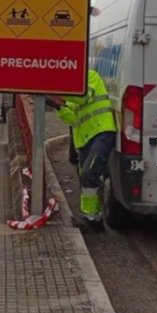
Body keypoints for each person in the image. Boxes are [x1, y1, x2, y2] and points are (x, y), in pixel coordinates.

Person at [47, 69, 117, 232]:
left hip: (102, 132)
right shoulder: (71, 88)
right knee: (86, 178)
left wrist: (58, 92)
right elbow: (72, 117)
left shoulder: (90, 75)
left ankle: (91, 220)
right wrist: (59, 106)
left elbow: (82, 96)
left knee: (89, 173)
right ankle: (94, 218)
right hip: (85, 139)